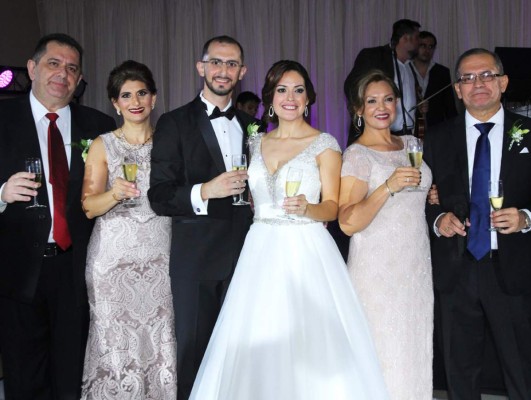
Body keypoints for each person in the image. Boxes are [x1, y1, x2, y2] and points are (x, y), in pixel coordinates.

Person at [189, 60, 389, 400]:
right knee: (257, 336)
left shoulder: (324, 143)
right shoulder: (255, 143)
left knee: (308, 343)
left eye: (298, 90)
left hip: (305, 247)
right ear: (270, 97)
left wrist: (308, 208)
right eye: (282, 90)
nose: (290, 97)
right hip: (260, 248)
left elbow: (332, 207)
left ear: (308, 98)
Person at [0, 33, 115, 399]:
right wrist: (0, 193)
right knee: (23, 375)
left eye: (71, 68)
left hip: (76, 268)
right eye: (53, 63)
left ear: (79, 80)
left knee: (71, 373)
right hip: (16, 271)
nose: (62, 74)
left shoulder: (99, 126)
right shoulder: (2, 119)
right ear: (32, 68)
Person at [148, 35, 257, 400]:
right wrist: (205, 191)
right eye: (216, 62)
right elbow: (159, 196)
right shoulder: (174, 122)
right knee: (194, 355)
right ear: (201, 67)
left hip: (248, 256)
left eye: (231, 64)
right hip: (195, 260)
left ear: (242, 71)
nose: (222, 71)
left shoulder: (252, 124)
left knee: (242, 353)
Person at [424, 48, 531, 399]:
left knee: (522, 371)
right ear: (457, 89)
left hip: (513, 268)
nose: (477, 84)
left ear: (503, 82)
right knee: (460, 373)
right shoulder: (438, 138)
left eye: (486, 75)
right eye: (467, 78)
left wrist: (527, 218)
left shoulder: (529, 132)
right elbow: (423, 198)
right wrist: (438, 219)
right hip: (457, 269)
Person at [79, 60, 177, 399]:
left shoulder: (169, 141)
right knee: (115, 346)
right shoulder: (102, 145)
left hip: (160, 260)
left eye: (142, 93)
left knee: (159, 343)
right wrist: (114, 193)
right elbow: (89, 206)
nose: (135, 101)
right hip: (112, 262)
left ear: (153, 98)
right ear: (115, 103)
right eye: (126, 95)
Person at [339, 70, 433, 399]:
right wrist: (388, 187)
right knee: (380, 351)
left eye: (389, 99)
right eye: (372, 101)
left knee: (412, 347)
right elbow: (348, 221)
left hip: (415, 268)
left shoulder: (410, 144)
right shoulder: (357, 155)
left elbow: (417, 195)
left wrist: (431, 194)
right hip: (376, 273)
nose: (382, 107)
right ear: (358, 110)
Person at [344, 19, 420, 138]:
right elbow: (351, 87)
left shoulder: (410, 66)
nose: (419, 43)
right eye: (417, 38)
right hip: (375, 137)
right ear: (406, 38)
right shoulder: (373, 56)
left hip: (406, 136)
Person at [409, 31, 457, 128]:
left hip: (436, 127)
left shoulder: (442, 72)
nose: (427, 50)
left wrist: (455, 128)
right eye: (423, 46)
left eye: (430, 47)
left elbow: (449, 105)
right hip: (410, 127)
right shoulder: (405, 68)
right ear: (415, 46)